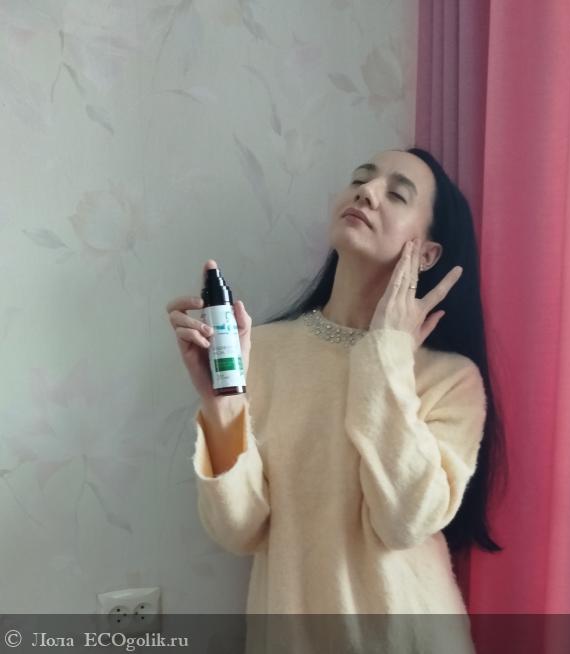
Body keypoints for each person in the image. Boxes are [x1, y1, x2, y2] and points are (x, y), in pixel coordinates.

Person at [165, 148, 505, 653]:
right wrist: (223, 402)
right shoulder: (264, 352)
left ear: (427, 254)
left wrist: (387, 355)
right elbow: (237, 530)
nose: (366, 192)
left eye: (397, 194)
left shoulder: (450, 378)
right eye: (360, 179)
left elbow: (404, 521)